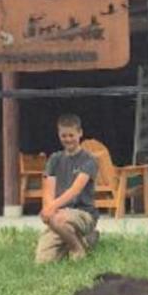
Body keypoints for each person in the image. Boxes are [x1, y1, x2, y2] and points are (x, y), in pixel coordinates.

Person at [34, 113, 99, 264]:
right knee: (42, 261)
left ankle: (77, 248)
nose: (68, 139)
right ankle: (83, 239)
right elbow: (48, 188)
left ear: (80, 133)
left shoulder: (89, 160)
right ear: (59, 135)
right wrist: (49, 209)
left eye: (71, 135)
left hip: (82, 212)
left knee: (58, 219)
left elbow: (75, 190)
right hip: (59, 212)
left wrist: (53, 210)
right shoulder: (55, 159)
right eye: (64, 135)